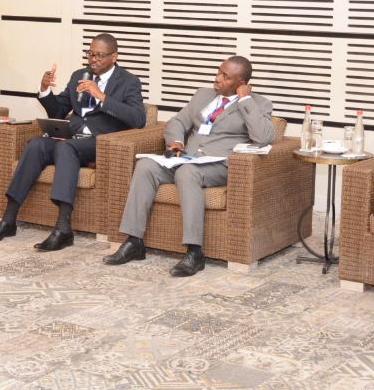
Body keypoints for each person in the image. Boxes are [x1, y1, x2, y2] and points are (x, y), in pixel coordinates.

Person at [105, 56, 275, 276]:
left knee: (187, 173)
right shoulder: (203, 95)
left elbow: (264, 137)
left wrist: (245, 100)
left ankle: (195, 253)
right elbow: (177, 121)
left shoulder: (258, 103)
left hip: (220, 164)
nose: (217, 78)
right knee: (146, 166)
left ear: (241, 84)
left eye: (225, 76)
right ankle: (134, 241)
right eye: (219, 72)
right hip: (187, 158)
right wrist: (176, 141)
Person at [0, 33, 146, 251]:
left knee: (65, 147)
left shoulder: (128, 81)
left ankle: (63, 228)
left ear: (114, 57)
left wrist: (101, 96)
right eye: (90, 54)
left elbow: (138, 119)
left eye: (100, 55)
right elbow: (58, 111)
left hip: (100, 143)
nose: (93, 60)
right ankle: (8, 219)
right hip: (72, 138)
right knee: (36, 144)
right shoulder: (80, 75)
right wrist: (45, 90)